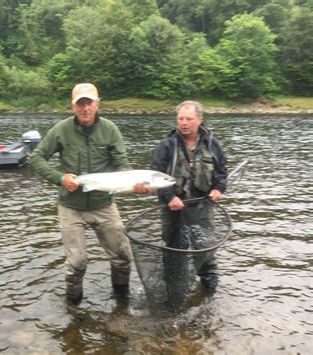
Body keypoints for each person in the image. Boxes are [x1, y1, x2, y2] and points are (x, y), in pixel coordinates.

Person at [29, 83, 134, 304]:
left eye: (89, 103)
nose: (85, 108)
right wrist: (59, 178)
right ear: (73, 106)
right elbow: (36, 158)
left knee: (123, 257)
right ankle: (74, 306)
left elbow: (122, 166)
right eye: (80, 104)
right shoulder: (61, 129)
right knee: (77, 263)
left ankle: (122, 300)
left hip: (103, 204)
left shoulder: (110, 129)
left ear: (97, 104)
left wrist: (135, 184)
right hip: (71, 206)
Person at [139, 100, 227, 291]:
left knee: (205, 252)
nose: (184, 123)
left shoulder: (213, 144)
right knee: (173, 252)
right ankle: (174, 291)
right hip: (172, 209)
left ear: (200, 120)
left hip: (203, 207)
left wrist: (219, 188)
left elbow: (221, 171)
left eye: (189, 119)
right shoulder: (166, 145)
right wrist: (170, 197)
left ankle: (209, 291)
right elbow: (155, 174)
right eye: (180, 119)